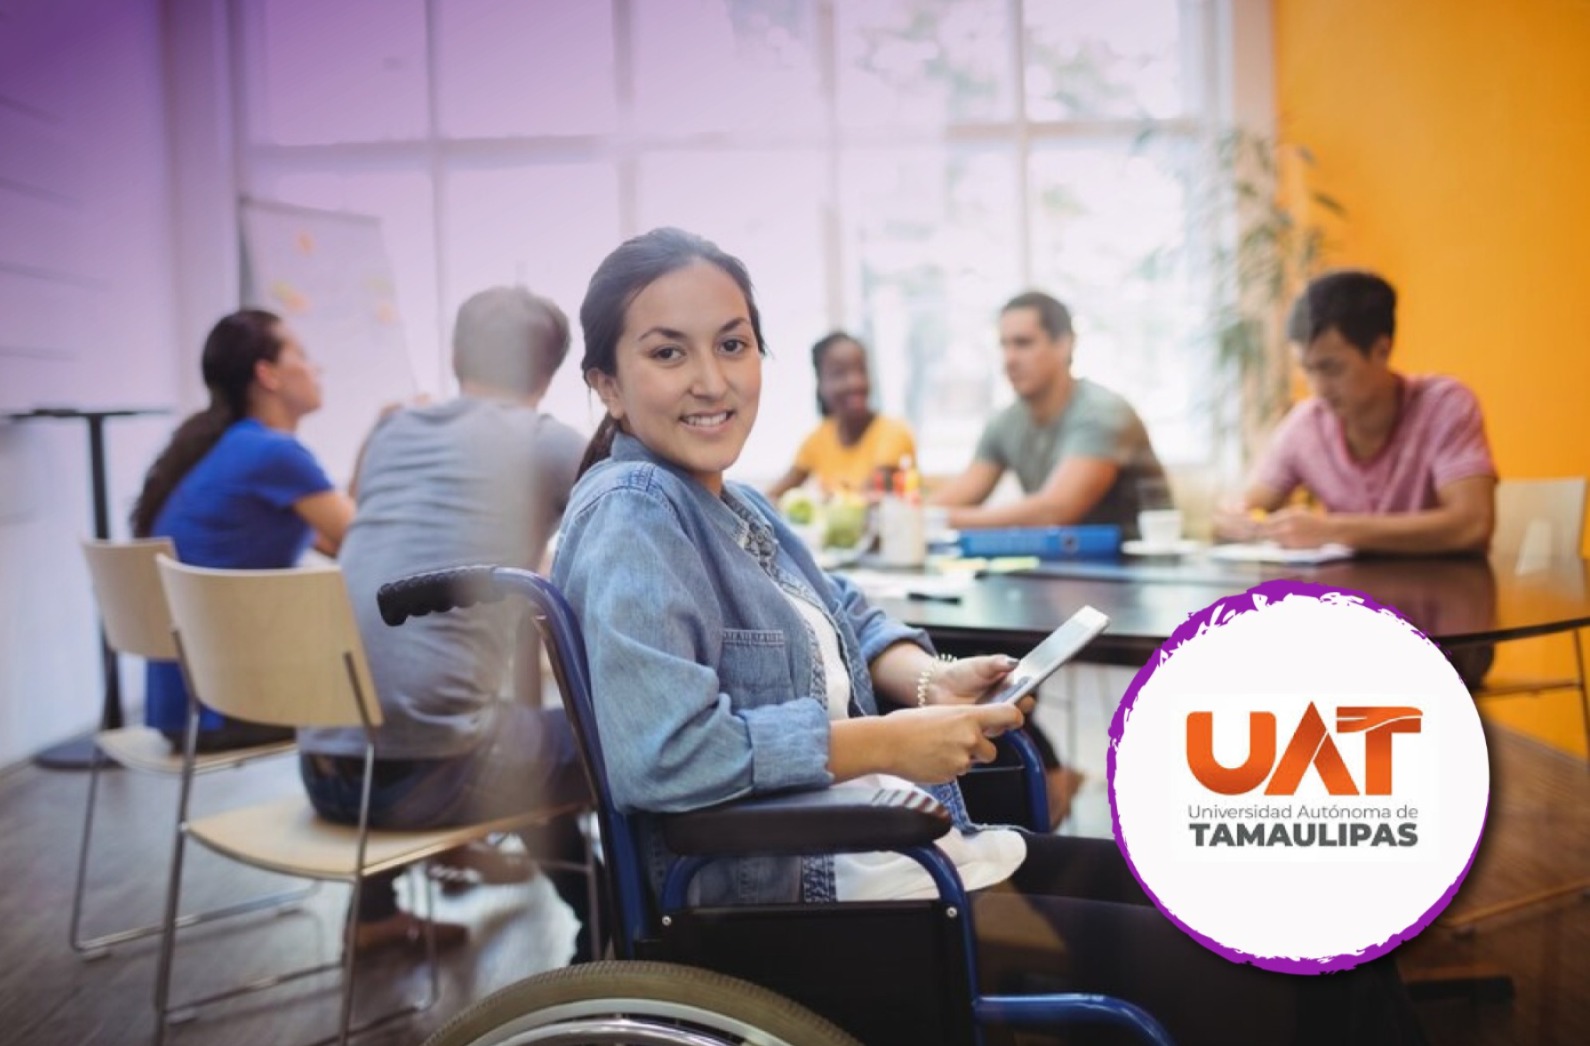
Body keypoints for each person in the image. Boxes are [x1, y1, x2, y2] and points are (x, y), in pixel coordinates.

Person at [552, 228, 1426, 1045]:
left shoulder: (732, 504)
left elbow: (849, 611)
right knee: (1283, 967)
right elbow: (663, 757)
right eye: (669, 352)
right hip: (812, 899)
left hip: (894, 857)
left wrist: (928, 680)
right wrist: (893, 741)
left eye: (733, 344)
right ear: (607, 382)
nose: (712, 379)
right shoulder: (635, 513)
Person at [298, 286, 596, 957]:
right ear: (549, 375)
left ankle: (374, 909)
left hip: (323, 772)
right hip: (424, 782)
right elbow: (636, 541)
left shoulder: (392, 431)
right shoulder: (547, 442)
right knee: (612, 736)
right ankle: (610, 934)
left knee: (453, 714)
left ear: (458, 356)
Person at [130, 308, 353, 752]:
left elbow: (333, 539)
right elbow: (370, 539)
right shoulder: (273, 453)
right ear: (268, 374)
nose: (316, 369)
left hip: (181, 708)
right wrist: (385, 434)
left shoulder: (224, 447)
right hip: (229, 707)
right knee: (397, 695)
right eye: (302, 356)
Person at [1215, 270, 1496, 555]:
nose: (1318, 388)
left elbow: (1472, 524)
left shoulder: (1444, 406)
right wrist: (1234, 520)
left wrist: (1331, 530)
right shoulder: (1306, 424)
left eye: (1331, 368)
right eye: (1307, 369)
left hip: (1444, 594)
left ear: (1382, 351)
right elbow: (1247, 503)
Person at [930, 291, 1168, 539]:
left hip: (1135, 568)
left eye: (1023, 343)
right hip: (1060, 568)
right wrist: (913, 515)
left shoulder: (1102, 413)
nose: (1009, 359)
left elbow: (1054, 511)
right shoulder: (1004, 423)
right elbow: (955, 498)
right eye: (1004, 345)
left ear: (1065, 345)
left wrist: (938, 520)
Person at [766, 331, 916, 499]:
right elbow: (773, 496)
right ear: (820, 383)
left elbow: (865, 501)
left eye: (861, 370)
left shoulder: (893, 432)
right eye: (839, 373)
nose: (855, 382)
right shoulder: (818, 438)